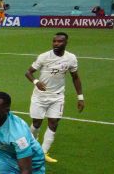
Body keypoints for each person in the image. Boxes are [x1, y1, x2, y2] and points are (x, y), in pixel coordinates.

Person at [24, 32, 84, 163]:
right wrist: (36, 82)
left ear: (66, 43)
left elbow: (75, 77)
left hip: (57, 97)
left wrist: (80, 97)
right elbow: (28, 72)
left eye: (60, 41)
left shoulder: (71, 58)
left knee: (54, 122)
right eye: (54, 41)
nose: (56, 44)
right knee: (36, 123)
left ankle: (43, 152)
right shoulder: (44, 57)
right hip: (40, 96)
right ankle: (30, 145)